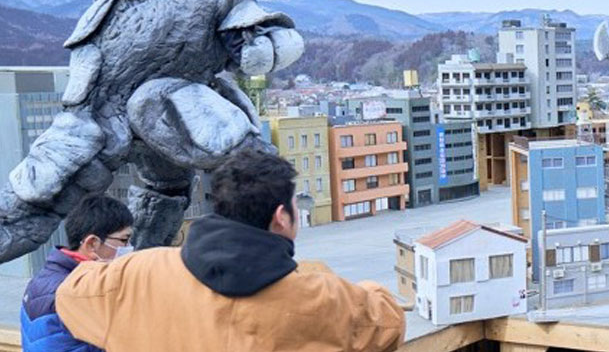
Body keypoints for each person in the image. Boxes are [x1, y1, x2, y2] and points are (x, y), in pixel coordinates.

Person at [56, 150, 405, 352]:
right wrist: (353, 284)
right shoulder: (321, 297)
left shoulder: (137, 273)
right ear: (281, 217)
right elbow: (388, 323)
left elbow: (70, 295)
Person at [21, 194, 133, 352]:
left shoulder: (44, 277)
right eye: (124, 240)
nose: (129, 247)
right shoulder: (79, 291)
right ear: (92, 243)